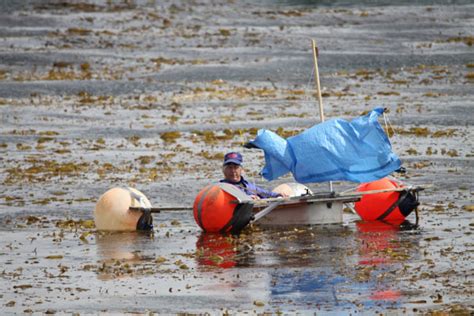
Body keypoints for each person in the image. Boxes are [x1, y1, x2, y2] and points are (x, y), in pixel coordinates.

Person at [220, 152, 288, 199]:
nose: (233, 171)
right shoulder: (221, 187)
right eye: (230, 167)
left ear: (241, 170)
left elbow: (264, 193)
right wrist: (248, 198)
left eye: (235, 167)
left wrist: (277, 195)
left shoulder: (248, 185)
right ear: (224, 170)